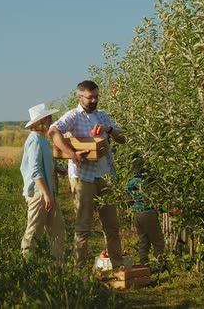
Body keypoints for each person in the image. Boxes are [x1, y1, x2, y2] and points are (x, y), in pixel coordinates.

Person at [48, 80, 126, 269]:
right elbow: (53, 131)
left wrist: (108, 130)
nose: (94, 100)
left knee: (112, 226)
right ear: (80, 97)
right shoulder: (73, 116)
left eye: (96, 97)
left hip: (104, 175)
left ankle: (116, 266)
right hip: (83, 177)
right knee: (83, 227)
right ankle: (79, 271)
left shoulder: (102, 116)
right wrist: (71, 154)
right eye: (90, 97)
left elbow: (122, 138)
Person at [20, 103, 69, 264]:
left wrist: (57, 168)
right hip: (39, 194)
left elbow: (45, 164)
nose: (51, 121)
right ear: (40, 122)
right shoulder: (34, 141)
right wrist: (46, 195)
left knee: (58, 230)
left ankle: (57, 266)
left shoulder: (43, 140)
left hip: (49, 193)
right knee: (34, 230)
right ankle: (26, 264)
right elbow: (35, 171)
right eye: (49, 118)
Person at [126, 153, 165, 266]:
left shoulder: (131, 182)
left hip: (137, 215)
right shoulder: (149, 181)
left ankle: (144, 264)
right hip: (149, 212)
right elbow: (158, 195)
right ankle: (159, 265)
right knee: (158, 242)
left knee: (144, 242)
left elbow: (128, 201)